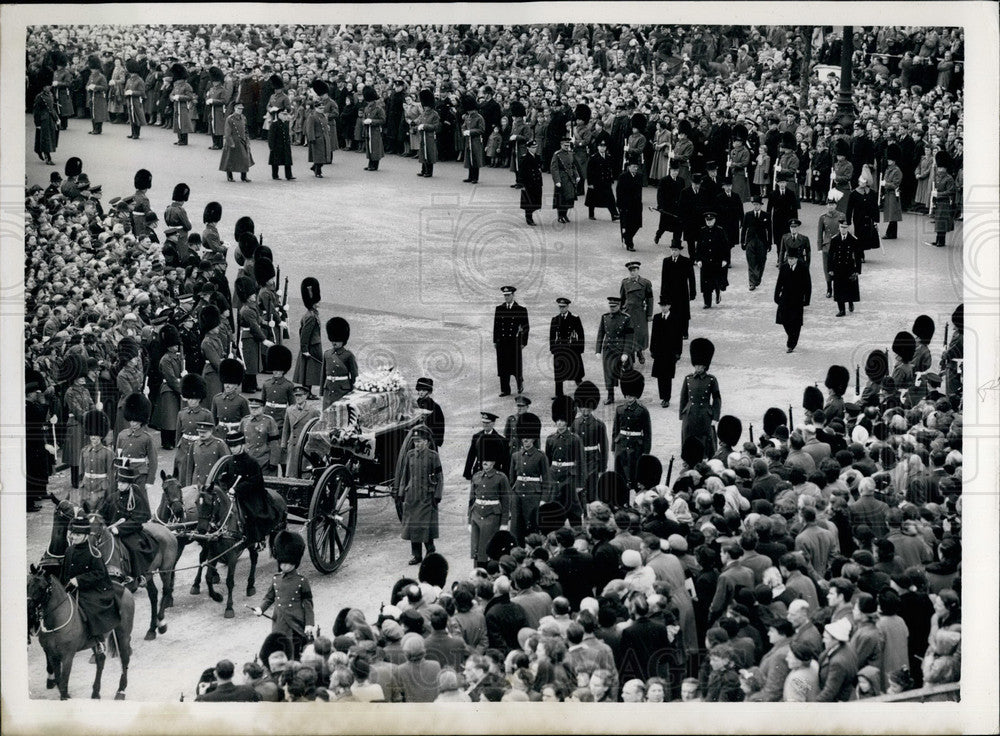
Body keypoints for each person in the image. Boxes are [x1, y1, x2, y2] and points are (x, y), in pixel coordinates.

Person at [252, 530, 316, 660]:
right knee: (279, 649)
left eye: (287, 563)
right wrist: (260, 609)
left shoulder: (302, 581)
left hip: (295, 624)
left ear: (294, 562)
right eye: (282, 563)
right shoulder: (276, 579)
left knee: (294, 651)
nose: (284, 566)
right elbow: (269, 597)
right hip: (279, 622)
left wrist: (309, 623)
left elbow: (308, 604)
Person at [61, 513, 120, 654]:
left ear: (86, 535)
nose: (72, 537)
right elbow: (64, 573)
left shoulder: (94, 553)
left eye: (76, 534)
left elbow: (100, 574)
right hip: (71, 588)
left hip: (92, 589)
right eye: (72, 534)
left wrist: (79, 580)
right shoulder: (69, 550)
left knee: (91, 607)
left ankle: (98, 640)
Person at [397, 425, 444, 564]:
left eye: (420, 441)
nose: (417, 444)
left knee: (425, 525)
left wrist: (437, 494)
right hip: (412, 496)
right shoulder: (410, 455)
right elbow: (404, 475)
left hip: (426, 496)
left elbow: (439, 477)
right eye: (415, 442)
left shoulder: (433, 456)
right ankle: (417, 555)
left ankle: (430, 550)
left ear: (427, 442)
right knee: (413, 526)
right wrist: (401, 492)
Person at [468, 439, 511, 568]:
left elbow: (506, 500)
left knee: (487, 546)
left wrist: (504, 523)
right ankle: (477, 570)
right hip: (476, 515)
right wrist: (469, 520)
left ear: (493, 462)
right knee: (476, 546)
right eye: (483, 461)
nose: (485, 463)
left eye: (488, 461)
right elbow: (471, 500)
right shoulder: (476, 476)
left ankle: (490, 570)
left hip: (492, 516)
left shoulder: (501, 477)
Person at [508, 412, 549, 545]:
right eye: (523, 437)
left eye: (528, 437)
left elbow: (547, 480)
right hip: (518, 495)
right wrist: (511, 497)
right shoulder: (515, 456)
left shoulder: (540, 456)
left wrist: (543, 500)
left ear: (534, 438)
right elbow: (511, 480)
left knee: (532, 528)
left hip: (534, 496)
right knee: (516, 527)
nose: (525, 440)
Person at [679, 338, 720, 457]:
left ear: (705, 366)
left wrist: (715, 416)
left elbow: (717, 399)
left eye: (700, 366)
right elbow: (683, 397)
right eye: (696, 365)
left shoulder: (711, 380)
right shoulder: (688, 379)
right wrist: (682, 414)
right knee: (688, 436)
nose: (697, 368)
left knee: (706, 438)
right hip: (690, 413)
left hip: (704, 414)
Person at [612, 371, 651, 492]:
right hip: (621, 445)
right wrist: (614, 447)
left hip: (636, 446)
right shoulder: (619, 410)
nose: (629, 399)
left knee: (635, 475)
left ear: (636, 396)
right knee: (621, 475)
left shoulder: (642, 411)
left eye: (631, 396)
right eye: (627, 396)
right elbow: (615, 429)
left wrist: (646, 450)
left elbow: (647, 432)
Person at [773, 242, 812, 353]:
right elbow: (779, 282)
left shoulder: (803, 268)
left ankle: (792, 343)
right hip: (785, 298)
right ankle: (791, 336)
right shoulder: (784, 267)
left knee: (796, 322)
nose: (790, 260)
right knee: (784, 319)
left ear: (796, 259)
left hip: (798, 299)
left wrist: (807, 299)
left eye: (792, 259)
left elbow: (808, 285)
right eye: (789, 258)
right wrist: (776, 296)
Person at [572, 381, 608, 503]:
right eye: (582, 407)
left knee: (593, 492)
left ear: (592, 407)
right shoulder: (574, 423)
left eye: (587, 407)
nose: (585, 410)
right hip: (578, 461)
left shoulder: (599, 424)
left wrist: (602, 468)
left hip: (593, 461)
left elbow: (604, 448)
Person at [595, 296, 634, 405]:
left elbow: (629, 337)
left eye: (614, 306)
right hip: (608, 350)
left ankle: (628, 396)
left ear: (619, 306)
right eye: (610, 306)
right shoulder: (605, 317)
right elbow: (600, 334)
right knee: (608, 374)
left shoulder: (626, 318)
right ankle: (610, 396)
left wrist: (626, 353)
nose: (611, 308)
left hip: (620, 350)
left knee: (624, 374)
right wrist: (598, 350)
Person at [493, 286, 529, 397]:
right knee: (503, 366)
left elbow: (526, 327)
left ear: (513, 295)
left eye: (508, 295)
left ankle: (519, 384)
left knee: (515, 366)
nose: (506, 297)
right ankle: (505, 390)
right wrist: (495, 340)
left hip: (514, 342)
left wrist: (523, 342)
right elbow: (496, 326)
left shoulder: (520, 309)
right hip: (502, 342)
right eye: (505, 295)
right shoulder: (499, 309)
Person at [649, 299, 683, 408]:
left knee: (667, 376)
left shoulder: (675, 318)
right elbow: (653, 335)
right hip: (659, 352)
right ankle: (662, 397)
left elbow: (679, 337)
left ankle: (666, 398)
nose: (663, 308)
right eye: (661, 306)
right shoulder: (657, 317)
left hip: (670, 352)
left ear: (669, 306)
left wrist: (678, 352)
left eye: (665, 305)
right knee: (660, 376)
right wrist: (652, 349)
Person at [815, 617, 858, 702]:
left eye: (826, 638)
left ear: (836, 640)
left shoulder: (838, 663)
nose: (823, 640)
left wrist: (812, 706)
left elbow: (829, 692)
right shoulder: (847, 647)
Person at [659, 241, 696, 339]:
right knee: (671, 311)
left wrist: (693, 292)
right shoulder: (666, 261)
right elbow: (664, 278)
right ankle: (672, 331)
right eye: (672, 250)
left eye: (675, 250)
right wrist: (662, 294)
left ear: (679, 251)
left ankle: (684, 332)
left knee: (683, 312)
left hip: (682, 291)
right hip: (669, 292)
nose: (673, 252)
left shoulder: (686, 261)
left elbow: (691, 278)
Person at [549, 298, 585, 399]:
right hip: (560, 348)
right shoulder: (555, 319)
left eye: (563, 307)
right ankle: (558, 394)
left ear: (568, 307)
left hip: (572, 348)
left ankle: (581, 390)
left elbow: (580, 334)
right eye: (560, 307)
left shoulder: (574, 318)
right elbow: (552, 336)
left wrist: (580, 348)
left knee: (576, 370)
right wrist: (552, 348)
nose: (562, 309)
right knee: (559, 372)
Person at [827, 219, 862, 317]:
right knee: (838, 289)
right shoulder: (835, 239)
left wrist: (857, 270)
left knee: (849, 287)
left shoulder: (853, 239)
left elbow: (857, 256)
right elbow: (830, 255)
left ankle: (850, 302)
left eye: (845, 228)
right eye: (842, 227)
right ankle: (841, 310)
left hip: (849, 268)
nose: (843, 229)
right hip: (838, 267)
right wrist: (830, 269)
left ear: (848, 228)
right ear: (839, 227)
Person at [619, 262, 653, 363]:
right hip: (628, 311)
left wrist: (649, 314)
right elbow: (622, 298)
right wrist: (620, 312)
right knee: (629, 333)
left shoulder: (645, 283)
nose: (632, 273)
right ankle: (630, 354)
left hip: (639, 312)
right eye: (631, 271)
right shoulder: (625, 283)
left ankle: (639, 352)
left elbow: (650, 299)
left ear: (638, 270)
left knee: (640, 333)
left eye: (634, 270)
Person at [293, 278, 322, 398]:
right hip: (311, 345)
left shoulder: (312, 313)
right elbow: (305, 334)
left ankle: (308, 391)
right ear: (314, 301)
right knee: (309, 370)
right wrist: (305, 349)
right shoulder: (311, 316)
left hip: (313, 344)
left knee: (310, 370)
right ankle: (307, 392)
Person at [320, 317, 357, 408]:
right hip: (328, 390)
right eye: (333, 340)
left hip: (342, 390)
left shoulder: (348, 355)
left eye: (337, 340)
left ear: (343, 340)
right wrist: (321, 391)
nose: (334, 343)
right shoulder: (327, 354)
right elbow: (323, 375)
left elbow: (354, 375)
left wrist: (354, 392)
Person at [695, 212, 729, 309]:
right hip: (705, 262)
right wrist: (698, 260)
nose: (709, 222)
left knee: (716, 281)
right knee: (706, 283)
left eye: (710, 220)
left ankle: (718, 293)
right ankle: (707, 302)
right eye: (707, 220)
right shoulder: (702, 231)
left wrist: (725, 260)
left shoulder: (720, 231)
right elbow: (699, 247)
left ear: (714, 220)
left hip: (717, 261)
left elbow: (725, 247)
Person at [462, 411, 508, 480]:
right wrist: (467, 472)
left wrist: (504, 476)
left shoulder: (501, 440)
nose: (485, 425)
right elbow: (471, 455)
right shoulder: (476, 437)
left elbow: (505, 461)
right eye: (483, 422)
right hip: (478, 472)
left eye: (487, 423)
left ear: (493, 423)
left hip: (494, 474)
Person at [741, 196, 772, 291]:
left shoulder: (766, 215)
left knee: (761, 261)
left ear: (761, 205)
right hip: (750, 241)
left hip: (762, 242)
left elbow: (769, 230)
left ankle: (757, 279)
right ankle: (751, 283)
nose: (756, 206)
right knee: (751, 262)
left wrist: (769, 243)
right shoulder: (748, 215)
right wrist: (743, 242)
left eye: (757, 205)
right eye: (754, 205)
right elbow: (744, 229)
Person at [767, 173, 800, 262]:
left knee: (788, 238)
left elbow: (794, 209)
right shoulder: (773, 194)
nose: (782, 184)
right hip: (777, 220)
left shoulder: (791, 193)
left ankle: (788, 256)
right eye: (780, 182)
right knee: (778, 240)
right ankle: (779, 257)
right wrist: (767, 220)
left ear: (786, 183)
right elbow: (769, 209)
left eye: (784, 182)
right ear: (777, 183)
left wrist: (795, 221)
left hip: (787, 220)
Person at [586, 138, 619, 221]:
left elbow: (610, 169)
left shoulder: (608, 157)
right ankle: (591, 214)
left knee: (610, 198)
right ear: (597, 147)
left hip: (606, 181)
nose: (602, 148)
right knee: (592, 198)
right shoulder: (593, 158)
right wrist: (590, 183)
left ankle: (614, 215)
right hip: (596, 181)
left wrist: (611, 179)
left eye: (604, 146)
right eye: (601, 146)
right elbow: (589, 172)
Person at [220, 101, 254, 182]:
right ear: (235, 108)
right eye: (239, 108)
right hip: (233, 141)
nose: (240, 110)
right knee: (230, 159)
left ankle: (244, 176)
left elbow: (245, 129)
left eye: (241, 109)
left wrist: (247, 139)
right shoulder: (230, 119)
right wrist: (230, 143)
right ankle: (230, 176)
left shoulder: (243, 117)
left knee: (244, 159)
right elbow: (227, 132)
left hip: (242, 141)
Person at [196, 660, 261, 702]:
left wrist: (201, 695)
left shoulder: (205, 699)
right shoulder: (248, 690)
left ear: (215, 674)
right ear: (233, 674)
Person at [846, 176, 880, 257]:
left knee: (866, 235)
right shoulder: (854, 194)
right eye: (861, 182)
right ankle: (859, 254)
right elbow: (849, 208)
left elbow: (875, 207)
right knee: (859, 235)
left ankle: (862, 251)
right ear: (858, 182)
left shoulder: (871, 193)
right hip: (858, 218)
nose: (863, 184)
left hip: (869, 218)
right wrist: (848, 221)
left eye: (864, 182)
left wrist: (876, 219)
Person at [551, 137, 582, 223]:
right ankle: (560, 216)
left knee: (569, 198)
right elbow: (554, 168)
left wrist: (577, 175)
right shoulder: (557, 154)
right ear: (561, 145)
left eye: (568, 145)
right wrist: (557, 180)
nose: (567, 147)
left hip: (570, 178)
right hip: (562, 178)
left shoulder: (570, 153)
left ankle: (565, 215)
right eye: (565, 145)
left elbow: (573, 166)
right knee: (561, 198)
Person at [653, 158, 683, 246]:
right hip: (667, 207)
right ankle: (658, 235)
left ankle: (676, 243)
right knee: (663, 226)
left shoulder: (681, 181)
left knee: (678, 226)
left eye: (677, 171)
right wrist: (660, 206)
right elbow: (660, 195)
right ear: (670, 170)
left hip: (677, 208)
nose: (675, 172)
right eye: (673, 170)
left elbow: (683, 194)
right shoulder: (664, 180)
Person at [617, 155, 644, 251]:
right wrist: (619, 205)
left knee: (637, 225)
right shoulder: (623, 176)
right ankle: (629, 243)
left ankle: (626, 236)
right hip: (626, 205)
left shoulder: (639, 176)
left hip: (636, 205)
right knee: (628, 224)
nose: (635, 168)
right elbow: (619, 191)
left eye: (637, 167)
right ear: (629, 167)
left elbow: (640, 191)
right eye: (633, 166)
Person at [304, 97, 333, 178]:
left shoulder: (323, 116)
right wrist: (311, 138)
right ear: (316, 108)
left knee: (323, 155)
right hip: (317, 138)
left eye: (323, 108)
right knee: (319, 156)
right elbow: (310, 129)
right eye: (320, 108)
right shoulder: (312, 116)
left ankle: (314, 167)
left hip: (324, 138)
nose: (322, 109)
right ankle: (318, 172)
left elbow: (325, 126)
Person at [460, 93, 485, 183]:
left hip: (476, 140)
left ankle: (475, 177)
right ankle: (470, 176)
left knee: (475, 158)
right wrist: (464, 131)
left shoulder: (479, 118)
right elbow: (463, 126)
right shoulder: (467, 117)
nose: (469, 112)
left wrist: (471, 132)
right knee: (469, 158)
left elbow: (481, 130)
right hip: (468, 140)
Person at [415, 88, 440, 179]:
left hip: (429, 136)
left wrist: (425, 126)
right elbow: (419, 121)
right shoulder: (423, 113)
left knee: (429, 152)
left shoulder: (434, 114)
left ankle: (429, 171)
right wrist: (416, 125)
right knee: (422, 152)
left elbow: (436, 126)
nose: (425, 107)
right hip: (423, 135)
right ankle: (423, 170)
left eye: (426, 106)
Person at [361, 85, 387, 171]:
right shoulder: (366, 108)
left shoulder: (378, 108)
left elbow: (383, 120)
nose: (369, 103)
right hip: (368, 130)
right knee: (369, 147)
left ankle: (375, 164)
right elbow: (364, 118)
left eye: (370, 101)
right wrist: (364, 121)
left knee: (375, 147)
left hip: (375, 130)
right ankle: (370, 162)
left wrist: (372, 121)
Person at [415, 377, 446, 449]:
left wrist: (434, 440)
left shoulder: (435, 407)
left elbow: (440, 426)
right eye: (419, 390)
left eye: (424, 390)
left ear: (429, 391)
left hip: (429, 441)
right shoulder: (414, 405)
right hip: (414, 440)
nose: (421, 392)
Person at [881, 143, 904, 239]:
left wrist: (885, 184)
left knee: (892, 214)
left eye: (890, 159)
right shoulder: (888, 169)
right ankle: (892, 233)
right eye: (889, 159)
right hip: (888, 194)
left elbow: (895, 184)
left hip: (893, 194)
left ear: (894, 160)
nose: (889, 161)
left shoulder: (897, 171)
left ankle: (890, 233)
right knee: (891, 214)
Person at [168, 63, 194, 146]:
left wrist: (179, 97)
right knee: (177, 122)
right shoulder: (176, 85)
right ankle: (179, 139)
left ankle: (184, 140)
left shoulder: (187, 86)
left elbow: (190, 97)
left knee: (183, 123)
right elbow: (171, 94)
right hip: (176, 106)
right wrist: (172, 97)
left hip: (183, 106)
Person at [519, 139, 543, 225]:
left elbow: (539, 169)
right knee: (529, 201)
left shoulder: (537, 156)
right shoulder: (525, 158)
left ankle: (530, 215)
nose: (535, 149)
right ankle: (529, 218)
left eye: (536, 147)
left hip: (536, 182)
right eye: (533, 147)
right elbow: (521, 172)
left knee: (536, 200)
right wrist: (521, 184)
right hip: (528, 183)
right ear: (528, 148)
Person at [268, 109, 295, 181]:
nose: (285, 116)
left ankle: (289, 175)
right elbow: (271, 136)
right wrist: (271, 146)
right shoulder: (274, 124)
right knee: (275, 161)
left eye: (286, 114)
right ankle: (275, 175)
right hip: (277, 145)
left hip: (285, 145)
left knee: (287, 160)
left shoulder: (286, 123)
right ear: (279, 115)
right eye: (283, 114)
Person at [85, 55, 109, 135]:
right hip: (92, 97)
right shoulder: (91, 76)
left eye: (94, 69)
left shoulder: (101, 77)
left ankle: (98, 129)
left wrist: (95, 87)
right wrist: (88, 87)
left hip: (99, 97)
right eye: (92, 69)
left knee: (98, 113)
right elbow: (87, 85)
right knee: (93, 113)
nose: (93, 71)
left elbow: (105, 87)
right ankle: (94, 128)